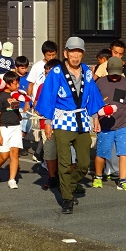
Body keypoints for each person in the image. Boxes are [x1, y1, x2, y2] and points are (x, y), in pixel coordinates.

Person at [35, 36, 105, 214]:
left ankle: (67, 184)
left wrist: (95, 116)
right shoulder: (56, 72)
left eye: (79, 53)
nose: (75, 56)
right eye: (72, 52)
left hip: (81, 121)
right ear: (65, 53)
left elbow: (92, 95)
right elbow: (49, 97)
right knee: (65, 163)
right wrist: (48, 122)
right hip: (62, 121)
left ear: (82, 54)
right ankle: (67, 198)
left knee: (82, 163)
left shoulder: (87, 72)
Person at [92, 57, 126, 191]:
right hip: (105, 125)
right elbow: (94, 104)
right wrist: (96, 120)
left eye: (117, 73)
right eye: (112, 73)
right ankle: (98, 177)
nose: (115, 76)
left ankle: (123, 180)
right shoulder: (100, 83)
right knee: (102, 152)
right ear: (107, 70)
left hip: (123, 124)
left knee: (125, 152)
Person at [0, 71, 23, 189]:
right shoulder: (0, 97)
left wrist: (18, 114)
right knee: (4, 156)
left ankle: (12, 179)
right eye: (15, 83)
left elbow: (14, 109)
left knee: (15, 153)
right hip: (4, 128)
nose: (17, 85)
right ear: (8, 84)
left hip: (16, 127)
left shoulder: (16, 95)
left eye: (18, 83)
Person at [34, 59, 61, 188]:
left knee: (64, 153)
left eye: (49, 74)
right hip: (46, 125)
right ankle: (52, 177)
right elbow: (37, 106)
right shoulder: (41, 87)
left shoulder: (65, 87)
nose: (47, 76)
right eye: (45, 74)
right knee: (49, 152)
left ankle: (65, 179)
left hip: (63, 125)